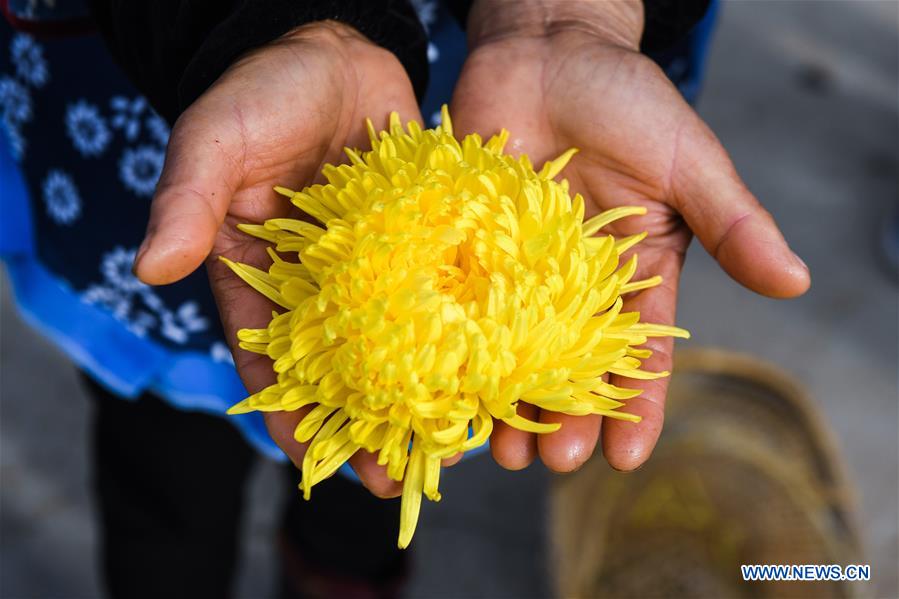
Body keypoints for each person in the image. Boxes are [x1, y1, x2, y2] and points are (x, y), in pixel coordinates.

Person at [0, 0, 810, 596]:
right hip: (185, 103)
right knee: (164, 472)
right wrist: (256, 17)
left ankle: (338, 573)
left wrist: (563, 15)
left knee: (374, 491)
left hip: (497, 94)